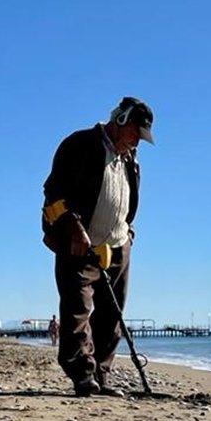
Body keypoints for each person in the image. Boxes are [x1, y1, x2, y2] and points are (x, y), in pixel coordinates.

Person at [42, 97, 154, 397]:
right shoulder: (79, 144)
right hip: (80, 244)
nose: (137, 142)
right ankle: (82, 376)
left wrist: (127, 231)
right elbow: (52, 192)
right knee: (77, 311)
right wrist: (73, 229)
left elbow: (126, 200)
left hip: (118, 245)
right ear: (121, 121)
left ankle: (101, 375)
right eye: (135, 134)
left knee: (111, 317)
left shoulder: (129, 158)